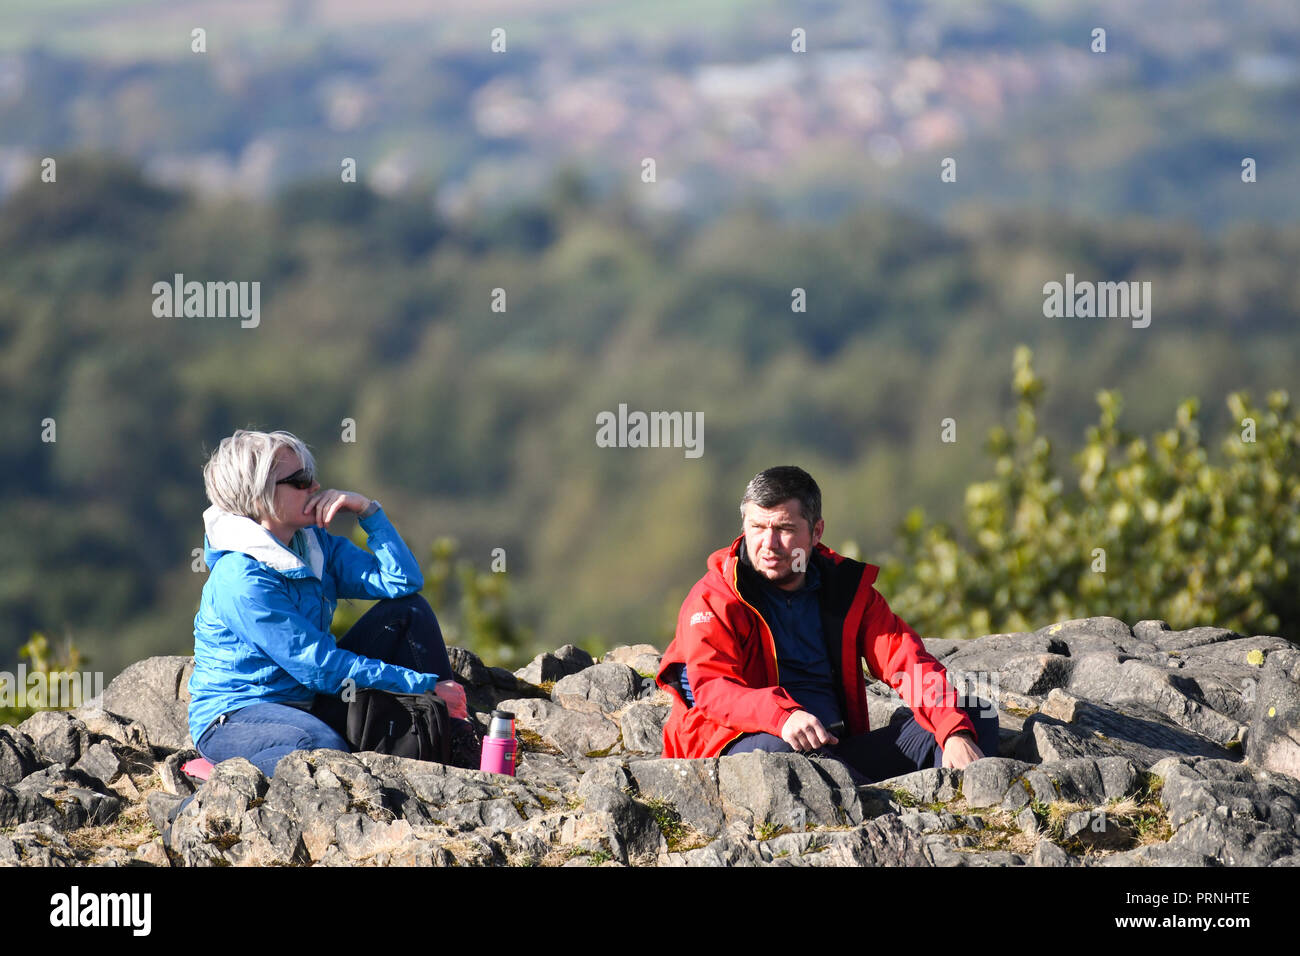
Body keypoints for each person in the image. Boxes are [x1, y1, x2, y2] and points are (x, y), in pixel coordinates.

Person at [657, 465, 998, 784]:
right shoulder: (715, 597)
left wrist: (953, 732)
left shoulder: (846, 590)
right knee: (783, 757)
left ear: (816, 531)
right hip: (744, 747)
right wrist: (783, 717)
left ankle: (934, 798)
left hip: (836, 750)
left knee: (971, 715)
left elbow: (906, 661)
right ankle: (861, 799)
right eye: (757, 528)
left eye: (785, 529)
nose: (768, 544)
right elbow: (714, 690)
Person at [187, 428, 470, 779]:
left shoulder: (313, 545)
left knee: (408, 612)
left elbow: (402, 582)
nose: (315, 486)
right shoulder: (241, 579)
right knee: (321, 749)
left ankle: (453, 729)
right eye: (301, 480)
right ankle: (217, 782)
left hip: (306, 701)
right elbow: (318, 666)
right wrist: (422, 685)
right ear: (258, 497)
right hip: (236, 717)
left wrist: (368, 511)